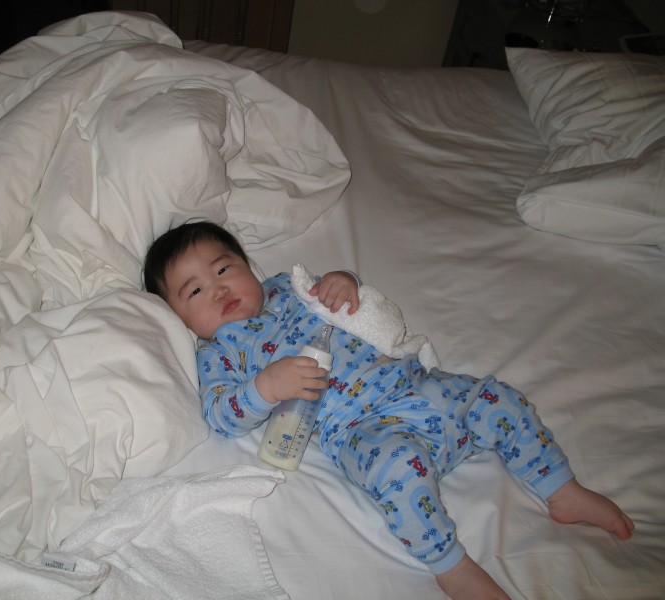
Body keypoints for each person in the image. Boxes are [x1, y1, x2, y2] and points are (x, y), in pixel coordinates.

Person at [143, 221, 635, 600]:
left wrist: (342, 281)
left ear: (248, 267)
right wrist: (266, 387)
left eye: (224, 269)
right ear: (180, 319)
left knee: (497, 399)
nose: (219, 289)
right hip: (361, 430)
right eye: (195, 290)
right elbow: (221, 415)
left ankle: (560, 488)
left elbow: (345, 299)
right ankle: (451, 565)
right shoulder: (218, 355)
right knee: (397, 473)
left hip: (417, 387)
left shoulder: (287, 289)